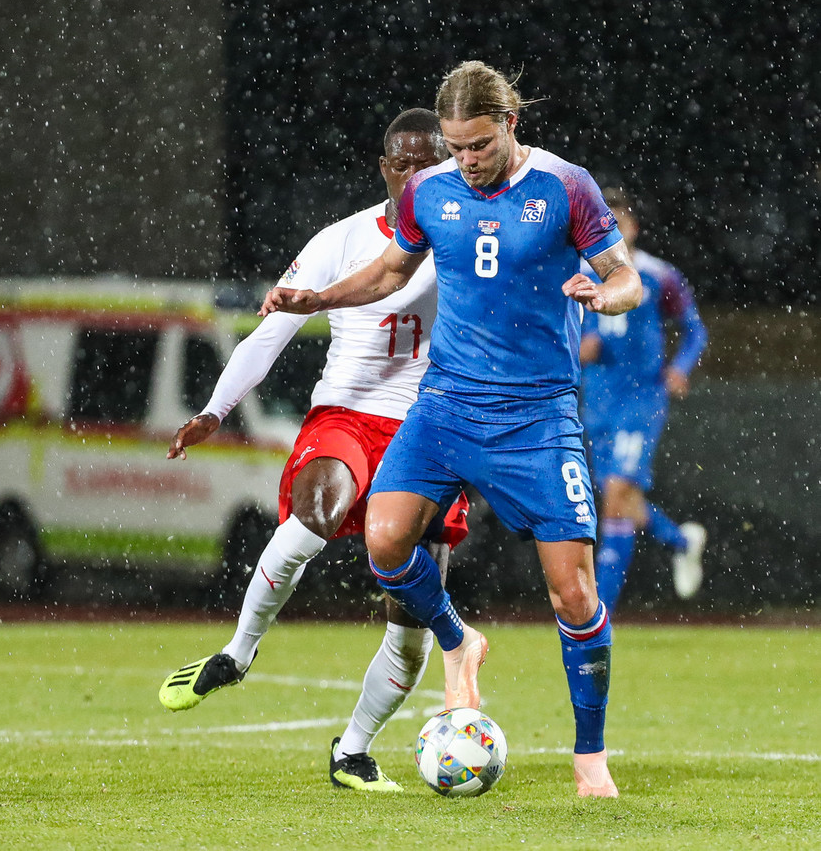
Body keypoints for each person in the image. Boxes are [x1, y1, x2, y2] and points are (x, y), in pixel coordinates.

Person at [261, 61, 643, 798]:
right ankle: (459, 642)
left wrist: (606, 296)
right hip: (446, 405)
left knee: (573, 593)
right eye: (455, 146)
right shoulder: (429, 191)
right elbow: (389, 272)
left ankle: (589, 754)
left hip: (537, 415)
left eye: (478, 145)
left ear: (511, 124)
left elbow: (624, 275)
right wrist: (317, 299)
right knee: (384, 539)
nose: (465, 160)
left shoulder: (565, 186)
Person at [158, 108, 468, 793]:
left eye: (429, 164)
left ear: (449, 167)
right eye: (402, 164)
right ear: (384, 169)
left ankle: (352, 751)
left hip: (429, 430)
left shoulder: (471, 240)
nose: (415, 176)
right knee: (317, 512)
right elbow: (270, 332)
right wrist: (214, 410)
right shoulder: (341, 240)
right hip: (347, 415)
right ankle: (238, 652)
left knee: (412, 625)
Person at [579, 188, 708, 612]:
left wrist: (679, 368)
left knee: (617, 496)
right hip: (597, 402)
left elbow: (695, 329)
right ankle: (682, 540)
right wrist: (579, 346)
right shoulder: (579, 274)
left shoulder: (657, 275)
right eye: (604, 222)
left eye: (618, 222)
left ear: (633, 227)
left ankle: (600, 614)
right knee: (621, 501)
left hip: (641, 398)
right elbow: (564, 331)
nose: (611, 230)